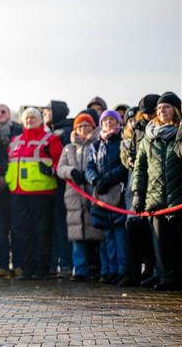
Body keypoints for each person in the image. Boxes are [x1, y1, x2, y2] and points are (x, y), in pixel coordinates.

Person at [133, 92, 182, 291]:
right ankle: (165, 278)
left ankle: (177, 277)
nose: (162, 110)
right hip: (155, 199)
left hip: (177, 197)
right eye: (160, 108)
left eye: (167, 107)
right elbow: (140, 168)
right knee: (159, 243)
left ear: (176, 110)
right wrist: (138, 193)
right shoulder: (147, 139)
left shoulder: (179, 135)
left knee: (177, 241)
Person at [6, 107, 62, 280]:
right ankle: (27, 268)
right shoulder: (15, 140)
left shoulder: (50, 139)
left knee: (41, 232)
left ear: (40, 120)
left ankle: (41, 268)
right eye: (27, 118)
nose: (30, 120)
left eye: (33, 117)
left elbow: (59, 162)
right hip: (18, 193)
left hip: (41, 192)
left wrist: (51, 170)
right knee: (22, 232)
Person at [56, 113, 103, 281]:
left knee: (96, 232)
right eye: (79, 126)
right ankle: (80, 269)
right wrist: (71, 172)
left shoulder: (97, 144)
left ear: (93, 127)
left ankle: (98, 267)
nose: (83, 129)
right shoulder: (69, 148)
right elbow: (60, 169)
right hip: (74, 196)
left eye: (86, 126)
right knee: (77, 233)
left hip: (93, 193)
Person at [119, 95, 160, 288]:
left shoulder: (157, 129)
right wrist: (127, 159)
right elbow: (126, 151)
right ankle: (132, 273)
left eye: (150, 112)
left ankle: (153, 270)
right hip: (134, 183)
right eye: (144, 114)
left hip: (154, 186)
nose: (147, 116)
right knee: (133, 229)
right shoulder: (134, 129)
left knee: (152, 231)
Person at [86, 110, 129, 284]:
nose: (109, 122)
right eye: (106, 120)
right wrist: (95, 179)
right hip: (101, 195)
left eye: (112, 119)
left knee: (120, 235)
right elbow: (89, 165)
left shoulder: (122, 142)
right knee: (107, 236)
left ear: (118, 123)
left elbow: (124, 165)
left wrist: (108, 179)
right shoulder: (95, 145)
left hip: (117, 193)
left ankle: (122, 270)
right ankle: (109, 270)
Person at [0, 104, 22, 278]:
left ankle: (19, 264)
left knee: (17, 228)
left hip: (16, 186)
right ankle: (2, 265)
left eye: (3, 112)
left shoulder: (18, 130)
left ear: (9, 114)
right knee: (0, 230)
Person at [43, 100, 74, 278]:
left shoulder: (66, 131)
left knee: (62, 227)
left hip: (64, 186)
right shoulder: (51, 131)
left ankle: (65, 264)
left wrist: (53, 170)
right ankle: (54, 263)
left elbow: (66, 159)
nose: (44, 113)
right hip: (51, 186)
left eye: (47, 110)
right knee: (54, 226)